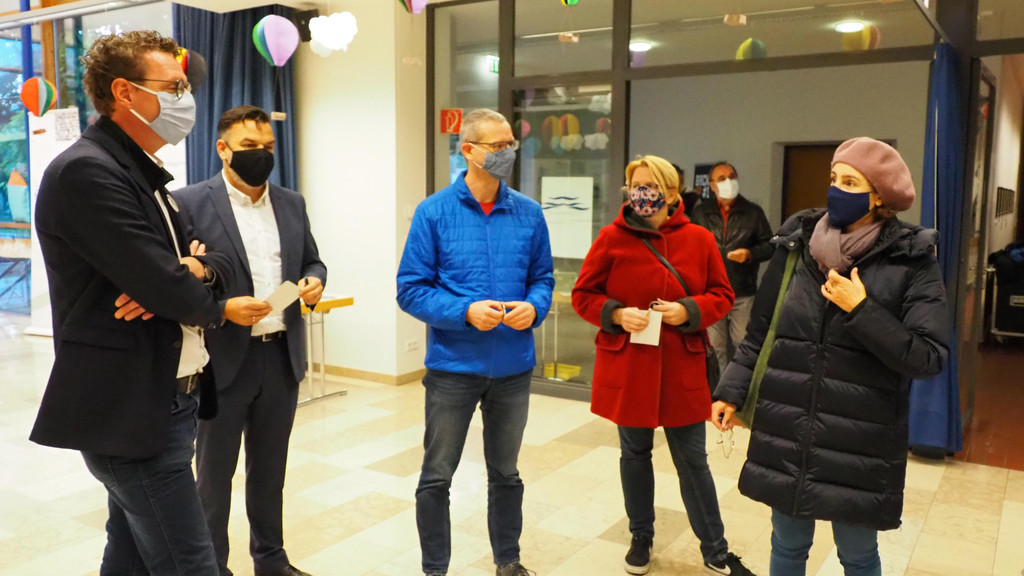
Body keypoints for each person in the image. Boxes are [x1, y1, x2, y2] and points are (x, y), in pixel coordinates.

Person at [30, 31, 235, 575]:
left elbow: (215, 262)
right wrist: (176, 282)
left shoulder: (143, 172)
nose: (186, 99)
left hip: (168, 400)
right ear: (124, 91)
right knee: (192, 564)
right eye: (174, 87)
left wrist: (192, 270)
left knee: (129, 561)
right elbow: (178, 292)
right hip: (133, 411)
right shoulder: (87, 171)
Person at [711, 138, 949, 576]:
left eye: (851, 182)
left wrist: (861, 309)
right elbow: (761, 331)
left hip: (858, 438)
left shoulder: (911, 259)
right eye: (834, 178)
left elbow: (928, 357)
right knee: (787, 545)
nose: (837, 189)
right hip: (788, 424)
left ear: (879, 195)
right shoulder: (796, 245)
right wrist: (732, 389)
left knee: (857, 555)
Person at [572, 155, 755, 576]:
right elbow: (583, 295)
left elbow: (723, 296)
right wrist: (616, 314)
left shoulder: (699, 239)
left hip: (681, 368)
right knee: (634, 454)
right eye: (635, 185)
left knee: (692, 460)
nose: (642, 194)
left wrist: (688, 309)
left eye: (651, 186)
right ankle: (641, 536)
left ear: (672, 194)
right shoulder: (611, 238)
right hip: (629, 366)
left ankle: (716, 549)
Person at [396, 108, 554, 576]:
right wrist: (464, 312)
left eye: (511, 144)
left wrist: (535, 307)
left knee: (506, 473)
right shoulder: (434, 212)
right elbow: (410, 289)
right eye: (498, 146)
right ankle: (435, 569)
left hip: (513, 367)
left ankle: (508, 561)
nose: (508, 153)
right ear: (468, 150)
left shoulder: (529, 213)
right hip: (453, 368)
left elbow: (543, 278)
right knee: (436, 476)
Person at [174, 106, 326, 576]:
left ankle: (271, 560)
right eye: (249, 147)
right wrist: (222, 309)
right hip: (220, 361)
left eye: (268, 147)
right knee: (213, 477)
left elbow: (312, 260)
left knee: (270, 471)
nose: (261, 155)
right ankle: (212, 568)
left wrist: (314, 281)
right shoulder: (188, 203)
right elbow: (175, 282)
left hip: (281, 356)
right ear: (223, 149)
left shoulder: (291, 202)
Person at [690, 162, 773, 376]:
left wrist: (750, 254)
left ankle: (740, 388)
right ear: (712, 185)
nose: (728, 181)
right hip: (711, 291)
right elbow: (689, 247)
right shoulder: (701, 213)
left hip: (742, 290)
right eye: (722, 178)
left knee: (743, 344)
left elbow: (769, 245)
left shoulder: (753, 212)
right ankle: (719, 390)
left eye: (732, 176)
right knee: (714, 347)